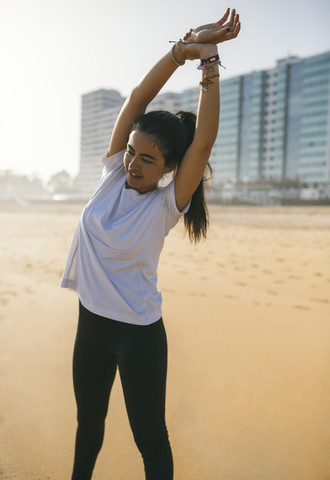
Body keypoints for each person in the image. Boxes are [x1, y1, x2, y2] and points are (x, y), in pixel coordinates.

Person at [61, 8, 240, 480]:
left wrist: (209, 61)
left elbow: (202, 141)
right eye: (130, 152)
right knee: (88, 425)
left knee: (151, 441)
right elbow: (140, 96)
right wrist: (181, 51)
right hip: (91, 325)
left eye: (147, 159)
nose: (133, 163)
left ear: (167, 168)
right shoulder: (111, 174)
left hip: (138, 335)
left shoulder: (165, 205)